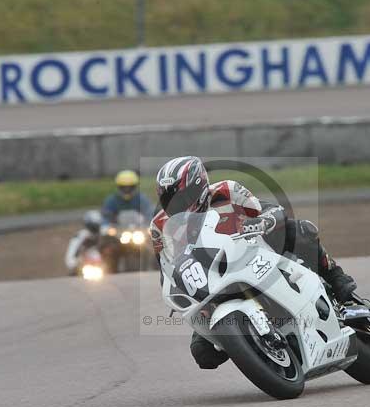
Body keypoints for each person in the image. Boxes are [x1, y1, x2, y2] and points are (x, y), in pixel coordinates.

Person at [150, 156, 358, 370]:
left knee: (299, 229)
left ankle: (338, 279)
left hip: (254, 255)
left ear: (199, 186)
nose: (176, 205)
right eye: (169, 199)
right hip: (211, 287)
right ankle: (252, 343)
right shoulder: (159, 226)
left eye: (181, 197)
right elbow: (166, 266)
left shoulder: (226, 190)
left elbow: (271, 210)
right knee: (203, 354)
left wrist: (263, 221)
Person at [64, 210, 103, 275]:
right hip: (83, 266)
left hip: (100, 266)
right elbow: (71, 255)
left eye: (97, 225)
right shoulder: (81, 236)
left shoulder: (103, 235)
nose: (96, 228)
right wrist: (75, 264)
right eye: (94, 225)